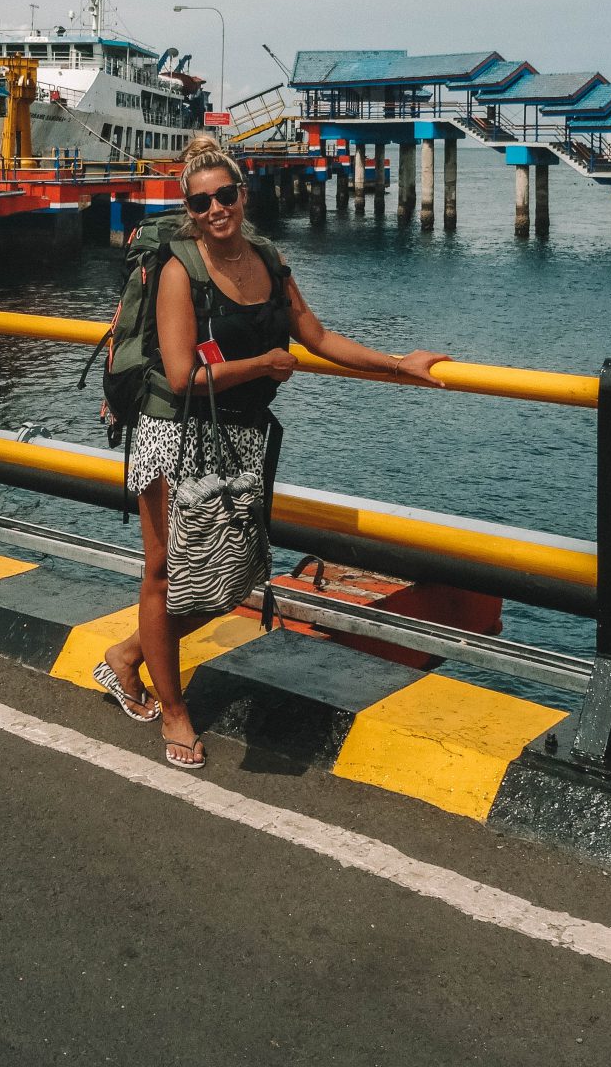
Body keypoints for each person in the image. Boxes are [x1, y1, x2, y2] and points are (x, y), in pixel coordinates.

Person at [99, 133, 450, 769]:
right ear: (189, 209)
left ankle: (127, 653)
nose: (215, 210)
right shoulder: (181, 272)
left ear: (242, 194)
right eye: (201, 202)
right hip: (172, 431)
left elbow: (314, 336)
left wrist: (399, 365)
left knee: (231, 574)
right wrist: (261, 361)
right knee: (164, 573)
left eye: (224, 195)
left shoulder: (265, 256)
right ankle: (172, 711)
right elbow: (181, 376)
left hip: (234, 436)